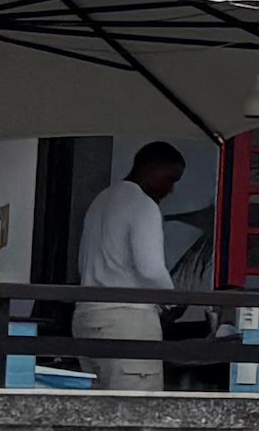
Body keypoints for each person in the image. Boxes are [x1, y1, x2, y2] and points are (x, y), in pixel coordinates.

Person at [72, 142, 191, 392]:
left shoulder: (100, 200)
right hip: (128, 320)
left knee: (95, 414)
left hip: (87, 317)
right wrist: (172, 300)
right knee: (134, 414)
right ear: (150, 168)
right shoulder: (143, 205)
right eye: (170, 179)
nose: (170, 189)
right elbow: (149, 268)